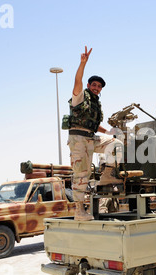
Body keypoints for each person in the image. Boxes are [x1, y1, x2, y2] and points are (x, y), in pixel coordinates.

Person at [66, 46, 123, 220]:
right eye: (94, 85)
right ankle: (79, 211)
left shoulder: (95, 104)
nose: (97, 88)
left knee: (116, 144)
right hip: (79, 140)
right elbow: (78, 81)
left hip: (91, 137)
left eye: (99, 86)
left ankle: (107, 176)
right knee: (82, 175)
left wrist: (110, 133)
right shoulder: (80, 97)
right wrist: (82, 63)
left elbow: (93, 124)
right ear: (89, 86)